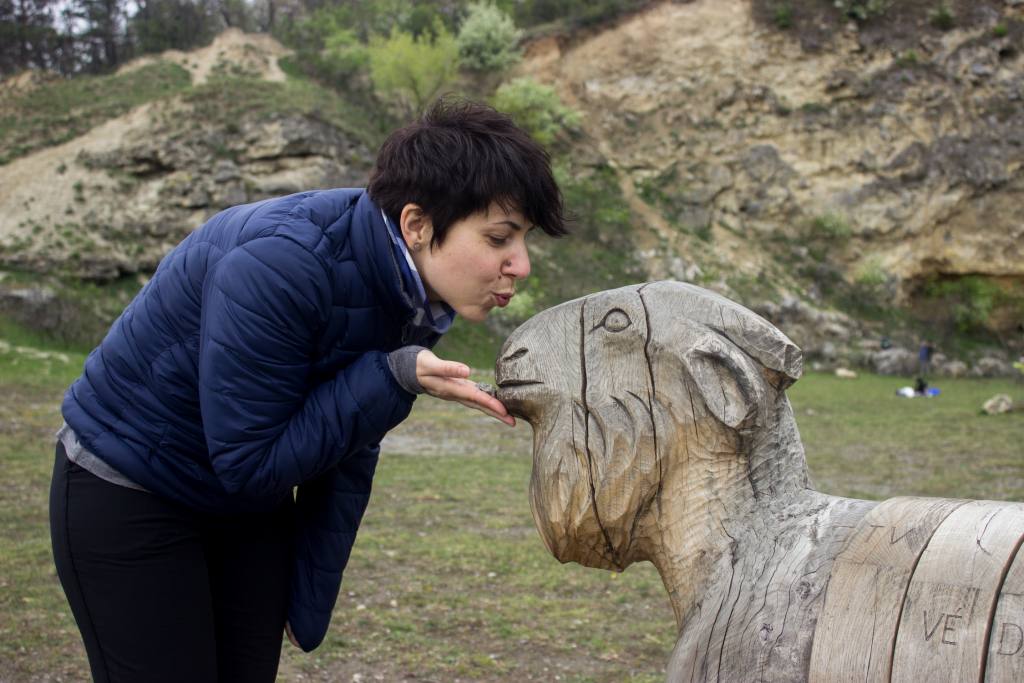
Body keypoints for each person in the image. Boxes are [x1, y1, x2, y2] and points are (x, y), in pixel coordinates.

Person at [49, 98, 567, 683]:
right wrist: (390, 377)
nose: (520, 265)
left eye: (523, 241)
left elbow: (347, 440)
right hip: (131, 487)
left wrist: (308, 595)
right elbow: (251, 461)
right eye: (499, 239)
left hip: (242, 504)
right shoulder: (280, 265)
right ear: (417, 225)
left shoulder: (407, 284)